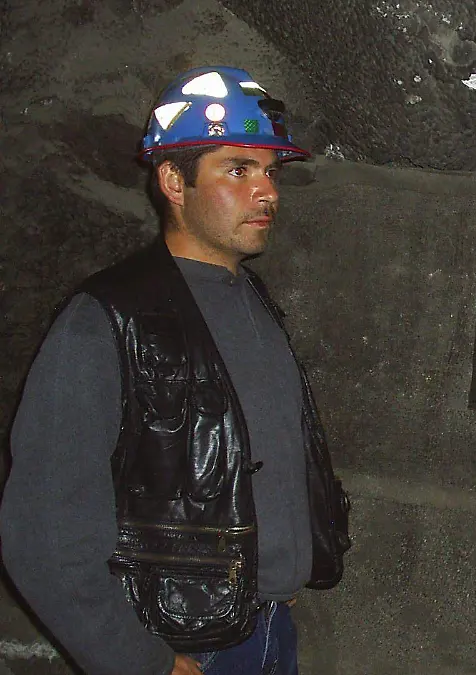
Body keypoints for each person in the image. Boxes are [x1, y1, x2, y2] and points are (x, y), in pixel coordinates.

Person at [0, 66, 351, 675]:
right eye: (238, 170)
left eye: (270, 171)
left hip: (268, 629)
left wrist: (288, 563)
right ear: (172, 181)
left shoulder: (254, 299)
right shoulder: (105, 319)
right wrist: (138, 661)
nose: (267, 192)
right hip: (183, 646)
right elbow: (44, 537)